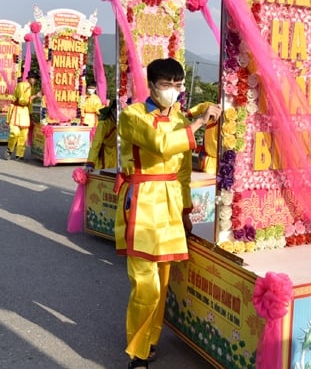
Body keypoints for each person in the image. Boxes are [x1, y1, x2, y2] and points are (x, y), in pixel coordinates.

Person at [115, 58, 221, 369]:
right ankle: (136, 349)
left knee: (162, 282)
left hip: (171, 204)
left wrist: (187, 209)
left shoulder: (179, 118)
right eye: (166, 85)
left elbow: (184, 171)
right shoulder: (133, 116)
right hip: (144, 201)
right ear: (151, 86)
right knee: (145, 285)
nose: (173, 92)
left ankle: (149, 342)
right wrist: (199, 123)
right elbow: (160, 144)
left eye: (177, 86)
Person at [5, 70, 39, 160]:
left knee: (23, 134)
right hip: (17, 110)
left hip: (25, 112)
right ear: (30, 78)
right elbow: (22, 101)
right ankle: (9, 149)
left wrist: (31, 114)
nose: (35, 81)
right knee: (14, 133)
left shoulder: (32, 88)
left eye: (35, 79)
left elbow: (30, 104)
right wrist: (34, 96)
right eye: (34, 79)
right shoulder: (21, 85)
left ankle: (20, 154)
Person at [85, 99, 118, 171]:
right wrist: (90, 162)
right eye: (117, 111)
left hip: (117, 153)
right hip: (104, 154)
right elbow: (96, 144)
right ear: (112, 110)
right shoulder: (103, 124)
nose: (119, 114)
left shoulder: (123, 123)